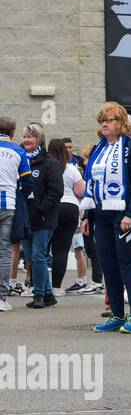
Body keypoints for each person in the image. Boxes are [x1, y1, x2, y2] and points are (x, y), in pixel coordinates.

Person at [84, 102, 131, 334]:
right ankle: (116, 313)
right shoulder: (99, 148)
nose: (105, 123)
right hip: (102, 215)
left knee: (128, 264)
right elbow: (92, 184)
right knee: (108, 266)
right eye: (102, 119)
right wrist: (87, 214)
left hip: (128, 216)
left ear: (121, 123)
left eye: (110, 119)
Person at [20, 124, 61, 309]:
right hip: (26, 217)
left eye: (31, 137)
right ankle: (49, 295)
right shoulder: (20, 159)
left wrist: (41, 209)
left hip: (43, 218)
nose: (27, 140)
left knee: (38, 255)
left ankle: (38, 295)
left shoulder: (49, 162)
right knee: (31, 256)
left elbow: (55, 191)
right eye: (25, 137)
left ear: (39, 140)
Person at [0, 116, 30, 312]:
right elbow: (28, 184)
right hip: (8, 203)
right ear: (12, 132)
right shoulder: (19, 151)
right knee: (4, 251)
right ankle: (1, 297)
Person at [46, 138, 83, 295]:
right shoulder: (72, 169)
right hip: (69, 208)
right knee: (61, 250)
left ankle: (35, 285)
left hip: (50, 207)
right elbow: (80, 192)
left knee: (41, 248)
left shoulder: (44, 167)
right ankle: (56, 287)